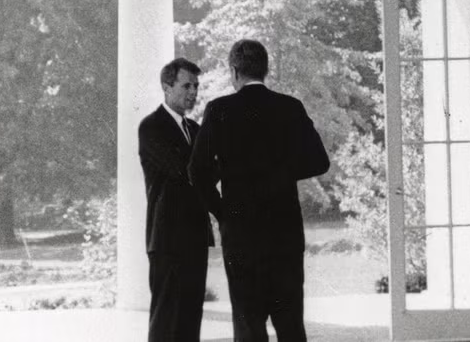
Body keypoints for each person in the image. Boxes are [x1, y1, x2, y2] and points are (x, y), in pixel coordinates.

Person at [188, 39, 330, 342]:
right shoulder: (290, 107)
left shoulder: (219, 110)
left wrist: (223, 212)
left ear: (234, 71)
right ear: (265, 70)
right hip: (284, 232)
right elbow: (319, 161)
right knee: (290, 323)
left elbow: (196, 172)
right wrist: (281, 172)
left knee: (248, 325)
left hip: (241, 233)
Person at [138, 57, 221, 342]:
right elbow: (184, 171)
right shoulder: (151, 127)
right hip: (167, 240)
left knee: (190, 321)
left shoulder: (196, 130)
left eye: (196, 86)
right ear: (166, 86)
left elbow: (208, 177)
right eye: (186, 85)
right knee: (165, 322)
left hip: (196, 237)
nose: (193, 92)